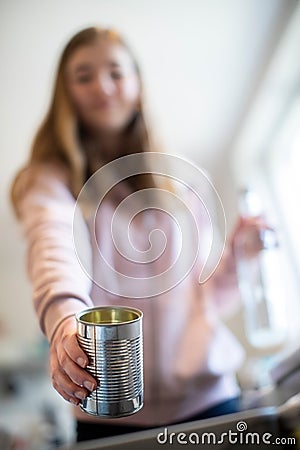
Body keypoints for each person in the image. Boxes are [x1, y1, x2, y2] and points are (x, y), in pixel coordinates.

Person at [11, 26, 249, 443]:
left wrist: (240, 259)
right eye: (83, 76)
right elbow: (53, 247)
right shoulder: (50, 182)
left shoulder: (184, 183)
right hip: (105, 412)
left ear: (138, 84)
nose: (102, 85)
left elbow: (211, 299)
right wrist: (65, 317)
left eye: (116, 73)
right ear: (65, 93)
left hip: (209, 402)